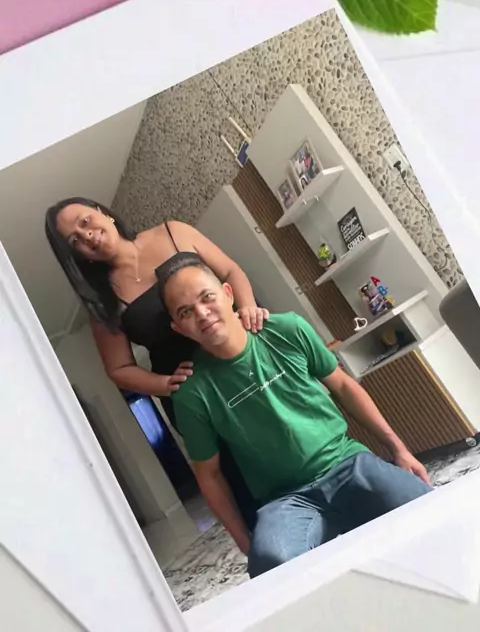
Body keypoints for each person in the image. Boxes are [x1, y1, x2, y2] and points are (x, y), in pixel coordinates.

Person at [157, 252, 433, 579]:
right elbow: (210, 475)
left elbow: (343, 386)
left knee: (426, 509)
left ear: (228, 294)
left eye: (207, 297)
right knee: (271, 568)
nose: (202, 314)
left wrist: (399, 450)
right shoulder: (192, 393)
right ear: (179, 328)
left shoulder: (287, 329)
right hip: (286, 499)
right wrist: (246, 541)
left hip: (347, 463)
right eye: (186, 312)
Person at [45, 196, 269, 529]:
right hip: (196, 397)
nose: (87, 236)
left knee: (286, 435)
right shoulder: (101, 302)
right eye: (74, 241)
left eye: (85, 222)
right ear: (79, 255)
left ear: (103, 213)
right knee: (242, 481)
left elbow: (229, 271)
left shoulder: (173, 232)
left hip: (240, 358)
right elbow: (118, 369)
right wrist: (165, 384)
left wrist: (247, 306)